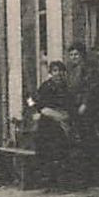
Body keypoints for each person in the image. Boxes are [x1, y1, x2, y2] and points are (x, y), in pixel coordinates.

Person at [28, 59, 75, 187]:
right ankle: (48, 176)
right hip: (48, 122)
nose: (58, 74)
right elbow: (32, 100)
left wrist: (64, 115)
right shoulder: (45, 87)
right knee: (47, 141)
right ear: (50, 73)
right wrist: (37, 111)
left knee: (61, 145)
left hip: (63, 121)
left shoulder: (66, 88)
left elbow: (70, 106)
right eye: (55, 71)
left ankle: (57, 177)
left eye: (61, 71)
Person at [67, 43, 99, 187]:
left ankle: (96, 177)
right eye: (71, 55)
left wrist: (85, 104)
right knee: (82, 143)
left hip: (90, 111)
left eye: (76, 55)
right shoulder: (72, 71)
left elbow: (90, 88)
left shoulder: (89, 69)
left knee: (91, 142)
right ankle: (85, 177)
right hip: (76, 110)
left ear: (82, 55)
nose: (74, 57)